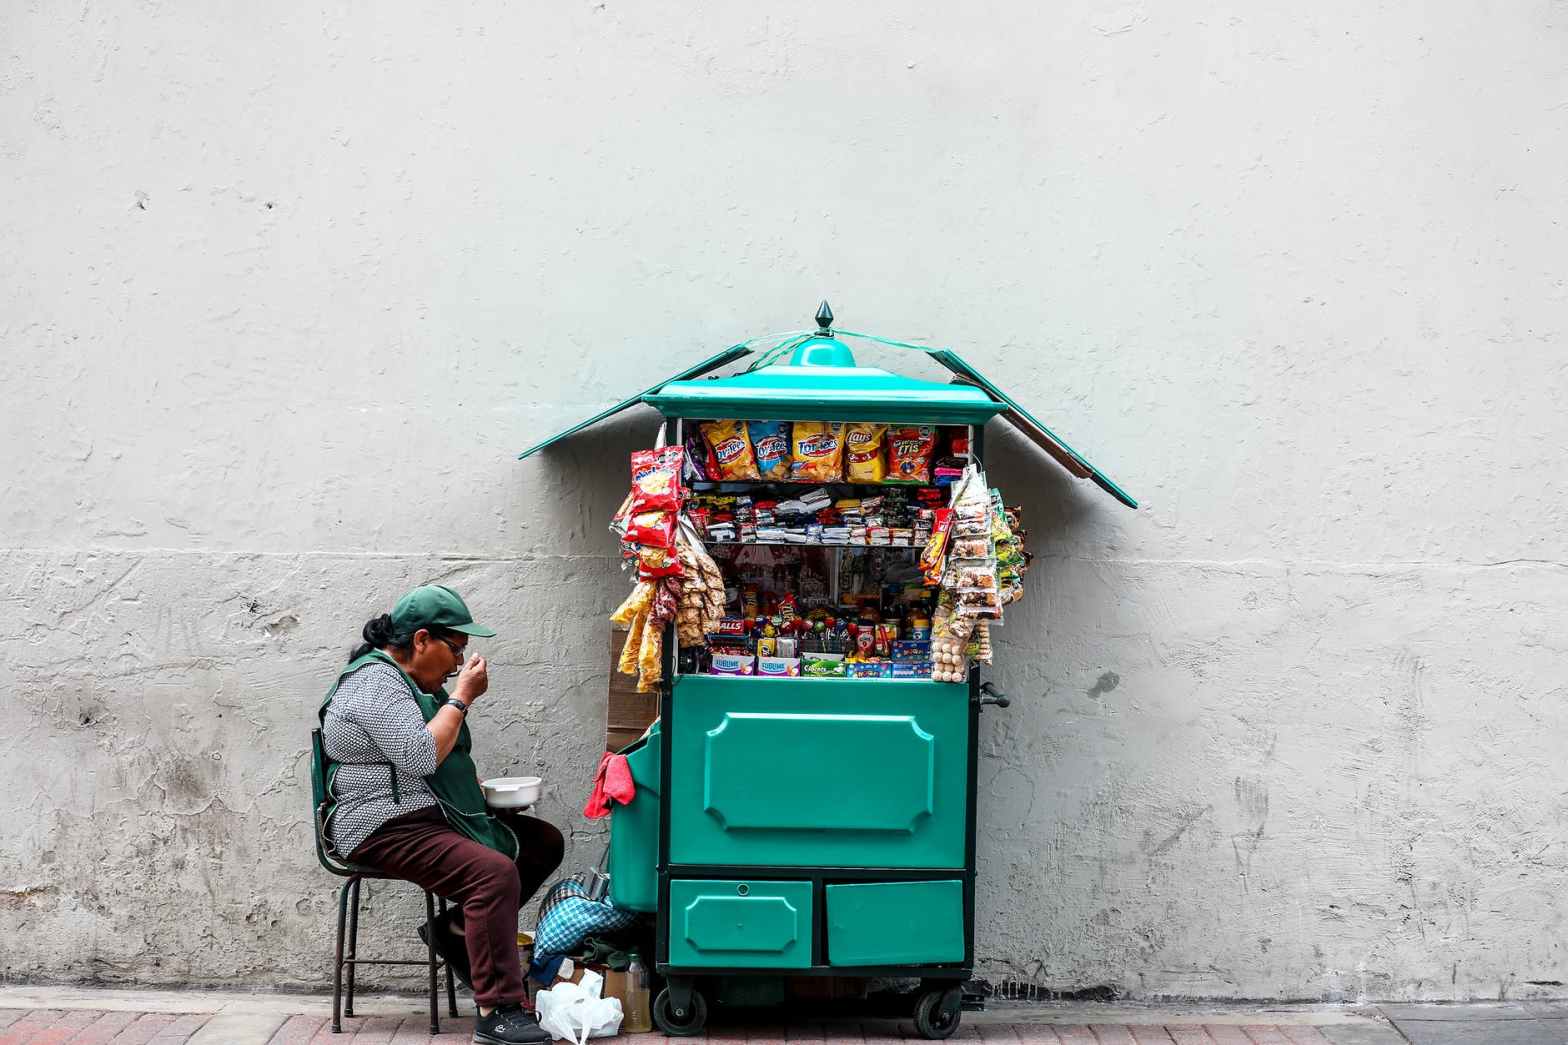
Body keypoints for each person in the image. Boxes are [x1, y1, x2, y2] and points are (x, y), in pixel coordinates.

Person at [319, 584, 561, 1045]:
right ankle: (498, 1012)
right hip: (381, 825)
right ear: (421, 640)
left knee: (541, 842)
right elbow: (420, 755)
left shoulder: (405, 682)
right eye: (455, 649)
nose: (457, 664)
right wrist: (462, 697)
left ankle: (454, 931)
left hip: (426, 816)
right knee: (491, 874)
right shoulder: (374, 682)